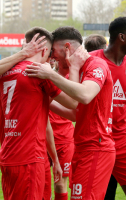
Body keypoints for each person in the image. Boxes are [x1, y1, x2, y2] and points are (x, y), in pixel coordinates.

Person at [25, 26, 116, 200]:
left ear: (67, 47)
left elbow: (85, 95)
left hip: (97, 147)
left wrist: (50, 75)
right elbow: (76, 113)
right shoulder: (76, 70)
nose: (51, 56)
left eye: (53, 51)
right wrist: (46, 103)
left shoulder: (96, 64)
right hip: (82, 146)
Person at [0, 27, 64, 200]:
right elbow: (74, 103)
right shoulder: (39, 74)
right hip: (29, 158)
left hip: (9, 156)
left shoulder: (5, 73)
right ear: (44, 50)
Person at [90, 16, 126, 200]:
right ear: (122, 37)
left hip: (122, 139)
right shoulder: (91, 60)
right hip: (95, 138)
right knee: (98, 195)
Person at [48, 58, 75, 200]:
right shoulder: (40, 78)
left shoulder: (68, 80)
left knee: (60, 184)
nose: (52, 60)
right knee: (43, 184)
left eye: (55, 58)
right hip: (43, 139)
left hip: (64, 139)